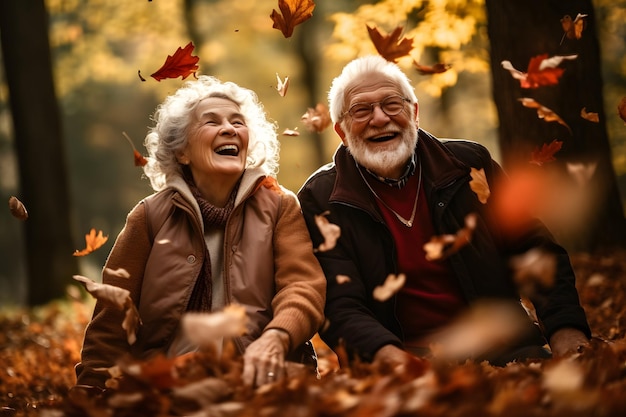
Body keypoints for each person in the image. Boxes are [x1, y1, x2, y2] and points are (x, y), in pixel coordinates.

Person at [297, 55, 591, 368]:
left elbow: (535, 250)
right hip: (395, 368)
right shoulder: (321, 199)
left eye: (392, 104)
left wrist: (565, 331)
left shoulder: (469, 165)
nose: (380, 118)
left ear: (414, 113)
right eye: (361, 110)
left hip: (506, 351)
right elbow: (340, 307)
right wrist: (398, 363)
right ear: (342, 131)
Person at [75, 76, 326, 390]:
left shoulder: (279, 206)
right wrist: (89, 392)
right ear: (182, 152)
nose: (229, 128)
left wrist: (277, 337)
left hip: (262, 386)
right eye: (212, 121)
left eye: (238, 122)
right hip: (167, 390)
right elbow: (111, 320)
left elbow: (303, 287)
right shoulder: (149, 216)